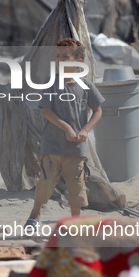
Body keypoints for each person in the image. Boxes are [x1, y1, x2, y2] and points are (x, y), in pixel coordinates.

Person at [24, 38, 105, 227]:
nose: (60, 60)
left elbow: (98, 111)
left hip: (76, 149)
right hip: (51, 145)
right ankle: (34, 216)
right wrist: (67, 128)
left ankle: (74, 222)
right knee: (45, 182)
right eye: (58, 56)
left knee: (76, 187)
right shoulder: (51, 82)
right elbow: (47, 111)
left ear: (78, 61)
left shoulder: (86, 85)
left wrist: (85, 130)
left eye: (65, 56)